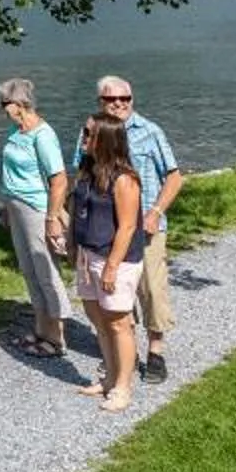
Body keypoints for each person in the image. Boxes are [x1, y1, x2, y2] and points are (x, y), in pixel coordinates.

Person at [96, 76, 184, 382]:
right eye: (111, 99)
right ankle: (126, 350)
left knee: (151, 288)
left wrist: (156, 211)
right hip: (107, 226)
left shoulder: (149, 131)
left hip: (146, 228)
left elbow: (174, 178)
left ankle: (155, 352)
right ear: (101, 102)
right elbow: (80, 173)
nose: (119, 103)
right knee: (115, 288)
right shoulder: (94, 133)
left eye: (125, 98)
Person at [67, 113, 148, 411]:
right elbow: (79, 210)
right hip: (89, 255)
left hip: (116, 261)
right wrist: (74, 246)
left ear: (106, 138)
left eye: (89, 133)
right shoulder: (88, 171)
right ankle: (109, 377)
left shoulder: (125, 179)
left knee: (118, 323)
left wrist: (112, 266)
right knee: (97, 319)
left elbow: (127, 227)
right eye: (84, 131)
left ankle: (123, 387)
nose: (83, 137)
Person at [0, 79, 72, 358]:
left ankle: (57, 335)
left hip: (37, 208)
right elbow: (9, 174)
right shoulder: (16, 133)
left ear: (20, 104)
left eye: (5, 103)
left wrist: (52, 218)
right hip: (17, 207)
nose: (2, 109)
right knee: (28, 269)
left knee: (46, 270)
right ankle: (41, 327)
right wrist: (6, 205)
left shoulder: (43, 135)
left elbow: (59, 180)